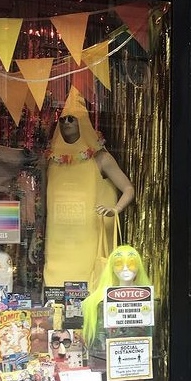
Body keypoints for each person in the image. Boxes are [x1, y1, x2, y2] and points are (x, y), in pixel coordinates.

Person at [43, 87, 135, 288]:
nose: (66, 123)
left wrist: (115, 209)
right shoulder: (52, 161)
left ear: (83, 123)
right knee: (56, 286)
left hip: (90, 237)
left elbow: (128, 188)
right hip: (58, 240)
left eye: (71, 119)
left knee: (90, 285)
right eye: (62, 120)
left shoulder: (101, 158)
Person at [81, 245, 150, 347]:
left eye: (131, 263)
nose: (125, 269)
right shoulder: (97, 302)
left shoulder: (149, 301)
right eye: (118, 264)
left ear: (138, 266)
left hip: (139, 351)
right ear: (112, 268)